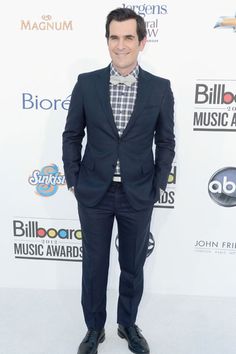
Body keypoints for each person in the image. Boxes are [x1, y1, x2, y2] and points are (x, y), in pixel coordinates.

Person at [62, 7, 175, 354]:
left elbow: (166, 141)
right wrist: (73, 180)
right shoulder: (87, 83)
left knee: (132, 266)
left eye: (128, 37)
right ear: (107, 40)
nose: (121, 45)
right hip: (93, 192)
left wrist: (157, 184)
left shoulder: (159, 88)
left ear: (142, 42)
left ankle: (127, 324)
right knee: (94, 267)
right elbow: (71, 135)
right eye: (114, 37)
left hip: (137, 194)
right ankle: (94, 329)